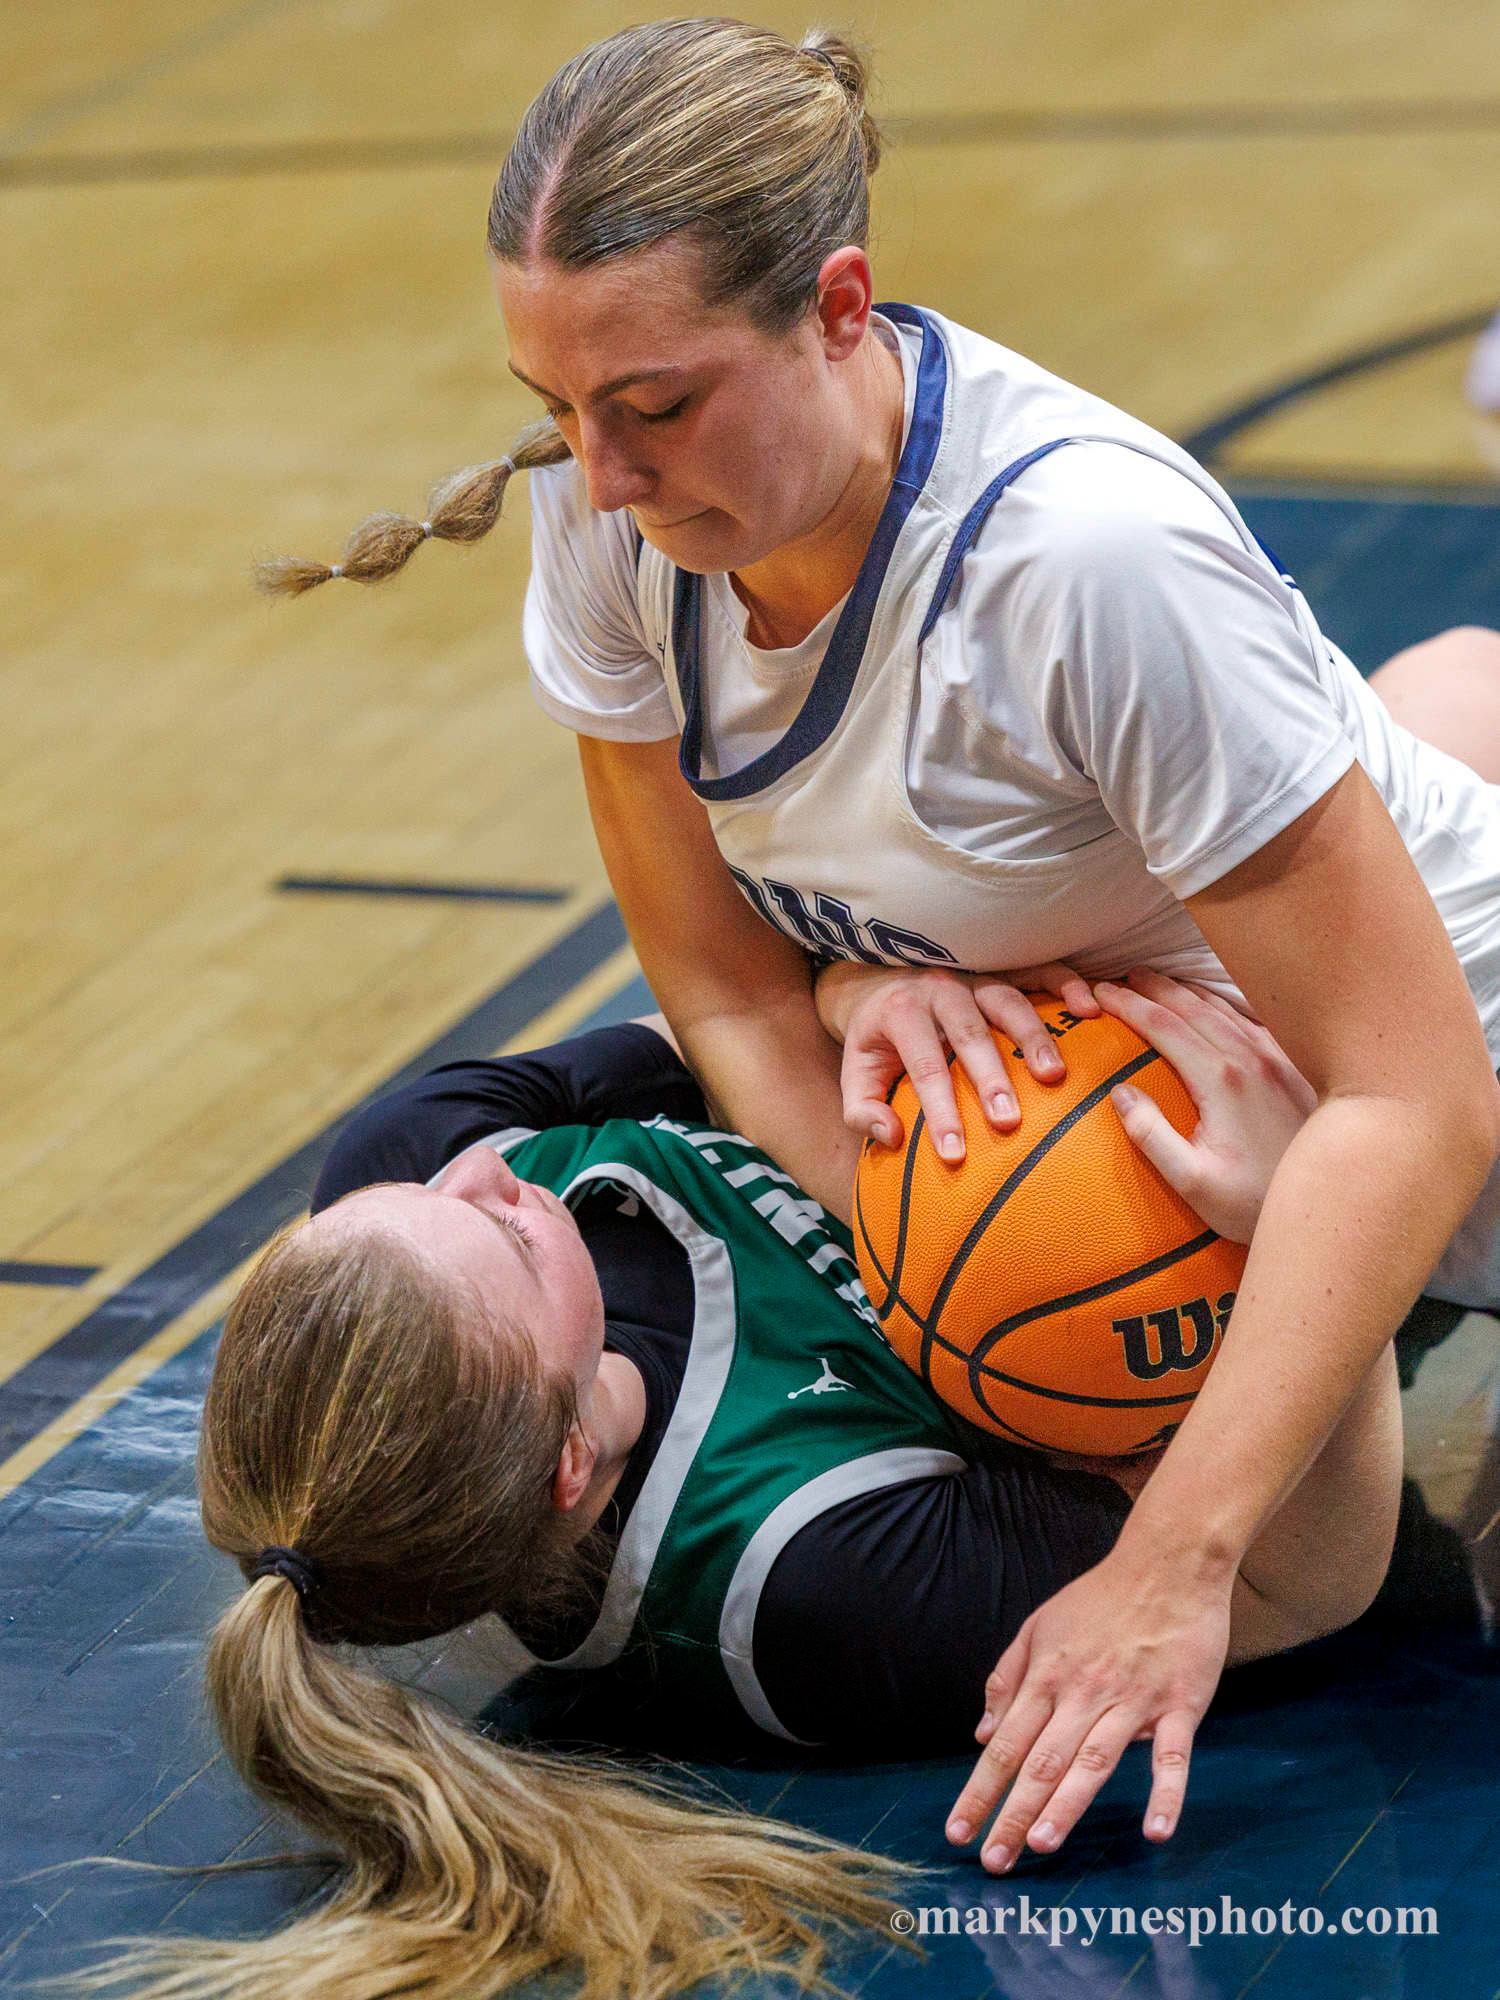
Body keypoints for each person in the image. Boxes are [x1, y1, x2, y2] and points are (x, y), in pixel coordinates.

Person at [256, 17, 1500, 1880]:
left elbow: (1415, 1101)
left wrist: (1171, 1564)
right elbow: (726, 986)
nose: (596, 475)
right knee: (1451, 687)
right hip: (1230, 1052)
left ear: (840, 305)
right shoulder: (624, 525)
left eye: (653, 403)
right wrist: (885, 1098)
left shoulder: (1082, 562)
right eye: (554, 401)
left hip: (1417, 1085)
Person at [109, 977, 1393, 2000]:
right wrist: (1314, 1212)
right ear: (568, 1462)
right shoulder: (805, 1578)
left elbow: (712, 1007)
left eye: (422, 1197)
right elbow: (1297, 1571)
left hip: (1068, 1031)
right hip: (1231, 1203)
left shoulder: (418, 1164)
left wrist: (863, 997)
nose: (484, 1176)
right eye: (502, 1233)